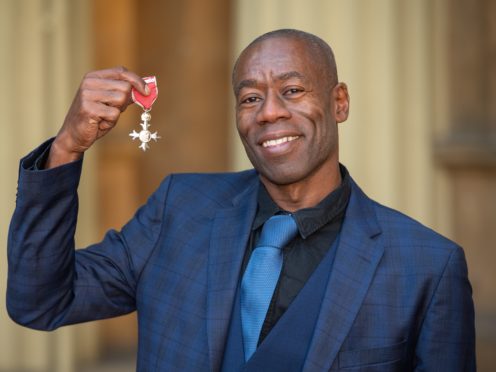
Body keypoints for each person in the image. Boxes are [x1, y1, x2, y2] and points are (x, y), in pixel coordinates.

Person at [7, 29, 475, 371]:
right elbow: (42, 301)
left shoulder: (428, 266)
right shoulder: (179, 210)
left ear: (339, 103)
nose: (269, 111)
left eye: (292, 91)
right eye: (250, 98)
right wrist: (66, 147)